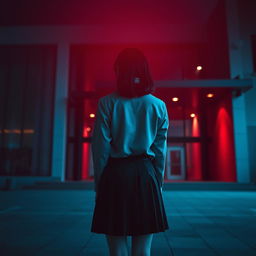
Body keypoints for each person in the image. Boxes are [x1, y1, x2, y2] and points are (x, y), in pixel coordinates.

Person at [90, 47, 169, 256]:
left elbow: (100, 151)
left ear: (118, 71)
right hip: (146, 175)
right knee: (143, 250)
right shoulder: (159, 106)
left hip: (114, 176)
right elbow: (160, 152)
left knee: (116, 249)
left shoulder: (107, 103)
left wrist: (99, 185)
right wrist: (158, 184)